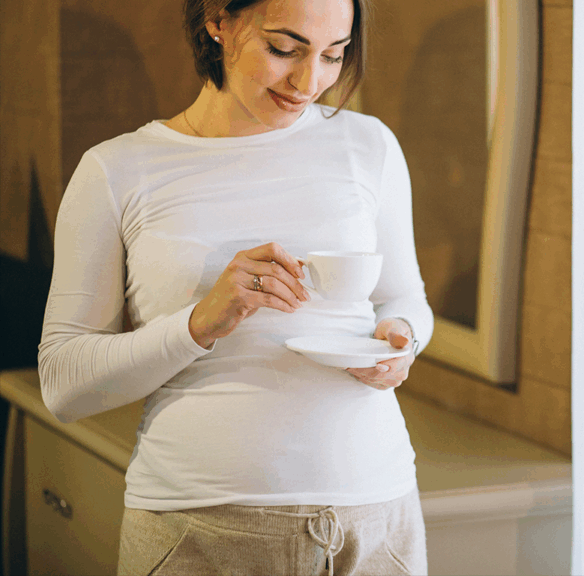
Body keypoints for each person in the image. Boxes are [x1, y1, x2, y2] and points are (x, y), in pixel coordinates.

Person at [36, 0, 433, 573]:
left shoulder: (369, 147)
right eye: (284, 49)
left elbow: (404, 298)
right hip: (197, 528)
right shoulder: (116, 171)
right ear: (218, 20)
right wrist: (197, 324)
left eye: (333, 55)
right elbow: (64, 384)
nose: (310, 82)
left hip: (374, 517)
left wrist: (401, 341)